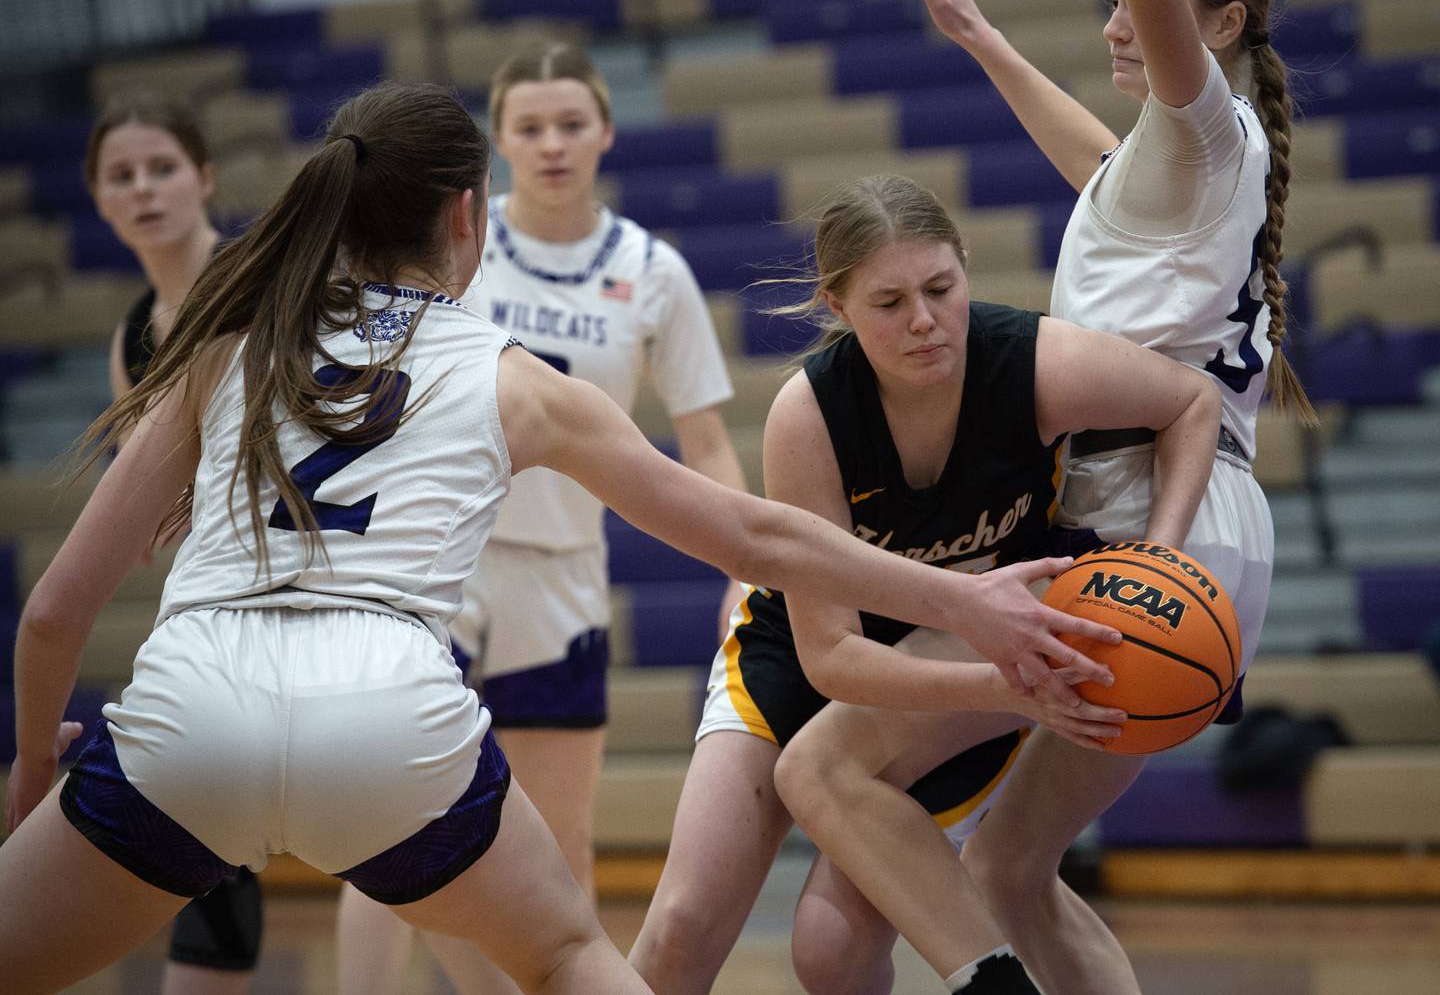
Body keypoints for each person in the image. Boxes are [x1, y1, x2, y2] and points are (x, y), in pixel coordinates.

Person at [0, 82, 1118, 995]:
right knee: (573, 956)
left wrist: (35, 765)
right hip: (386, 709)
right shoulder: (509, 374)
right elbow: (748, 533)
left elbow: (55, 610)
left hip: (196, 700)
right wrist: (966, 600)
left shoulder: (220, 345)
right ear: (468, 216)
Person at [774, 0, 1313, 992]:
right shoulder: (1183, 166)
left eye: (1135, 3)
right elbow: (1092, 159)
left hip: (1151, 506)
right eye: (1110, 6)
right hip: (1212, 520)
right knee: (1012, 866)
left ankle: (987, 985)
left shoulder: (1207, 131)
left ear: (1222, 22)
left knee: (826, 769)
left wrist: (1156, 562)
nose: (1121, 20)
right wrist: (978, 35)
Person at [627, 173, 1222, 995]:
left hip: (957, 651)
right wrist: (1009, 686)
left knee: (830, 948)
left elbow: (1191, 401)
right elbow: (830, 656)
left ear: (966, 268)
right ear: (837, 306)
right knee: (681, 929)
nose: (924, 320)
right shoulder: (810, 417)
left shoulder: (1031, 362)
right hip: (809, 647)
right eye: (889, 302)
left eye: (941, 287)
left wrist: (1161, 557)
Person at [333, 42, 749, 993]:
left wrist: (741, 564)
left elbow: (707, 442)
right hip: (442, 563)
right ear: (498, 146)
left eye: (572, 123)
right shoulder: (454, 249)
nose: (553, 143)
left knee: (558, 847)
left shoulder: (654, 269)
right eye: (529, 126)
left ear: (605, 130)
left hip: (565, 576)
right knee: (384, 825)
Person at [86, 94, 265, 994]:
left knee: (416, 872)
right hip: (209, 612)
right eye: (122, 176)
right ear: (98, 199)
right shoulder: (131, 335)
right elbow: (149, 506)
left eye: (161, 167)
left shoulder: (259, 279)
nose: (144, 188)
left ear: (203, 176)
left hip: (309, 589)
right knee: (208, 843)